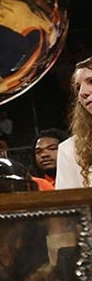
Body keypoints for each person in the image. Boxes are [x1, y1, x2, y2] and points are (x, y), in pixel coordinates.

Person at [57, 57, 92, 189]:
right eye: (78, 88)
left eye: (91, 81)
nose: (83, 93)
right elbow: (67, 200)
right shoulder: (69, 149)